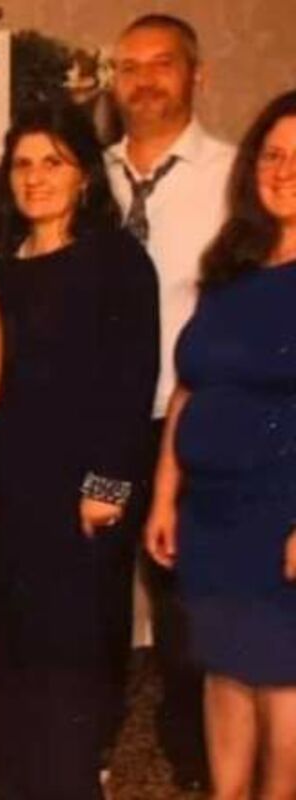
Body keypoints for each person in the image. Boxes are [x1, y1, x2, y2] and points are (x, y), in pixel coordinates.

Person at [0, 102, 159, 799]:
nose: (35, 178)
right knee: (16, 665)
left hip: (83, 501)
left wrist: (107, 489)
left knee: (76, 661)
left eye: (52, 163)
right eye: (22, 164)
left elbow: (132, 379)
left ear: (84, 174)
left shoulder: (116, 260)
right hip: (7, 498)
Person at [144, 89, 296, 800]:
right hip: (212, 516)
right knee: (225, 674)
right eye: (272, 155)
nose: (283, 171)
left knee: (284, 687)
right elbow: (189, 387)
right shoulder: (233, 263)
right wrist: (164, 495)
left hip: (282, 514)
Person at [104, 14, 235, 789]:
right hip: (102, 424)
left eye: (162, 64)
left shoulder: (233, 177)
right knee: (92, 592)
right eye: (129, 67)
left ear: (196, 75)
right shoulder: (88, 176)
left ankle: (191, 760)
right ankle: (96, 751)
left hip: (187, 421)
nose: (144, 80)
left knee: (186, 601)